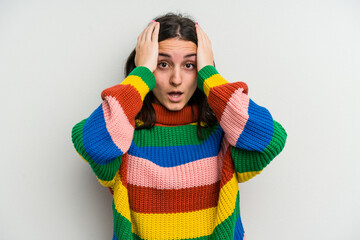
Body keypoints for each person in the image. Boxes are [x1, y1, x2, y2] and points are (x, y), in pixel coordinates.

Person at [71, 12, 287, 240]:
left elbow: (271, 141)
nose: (176, 79)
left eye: (189, 65)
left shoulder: (223, 133)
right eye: (162, 64)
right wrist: (141, 73)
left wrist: (210, 77)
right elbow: (92, 144)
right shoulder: (122, 133)